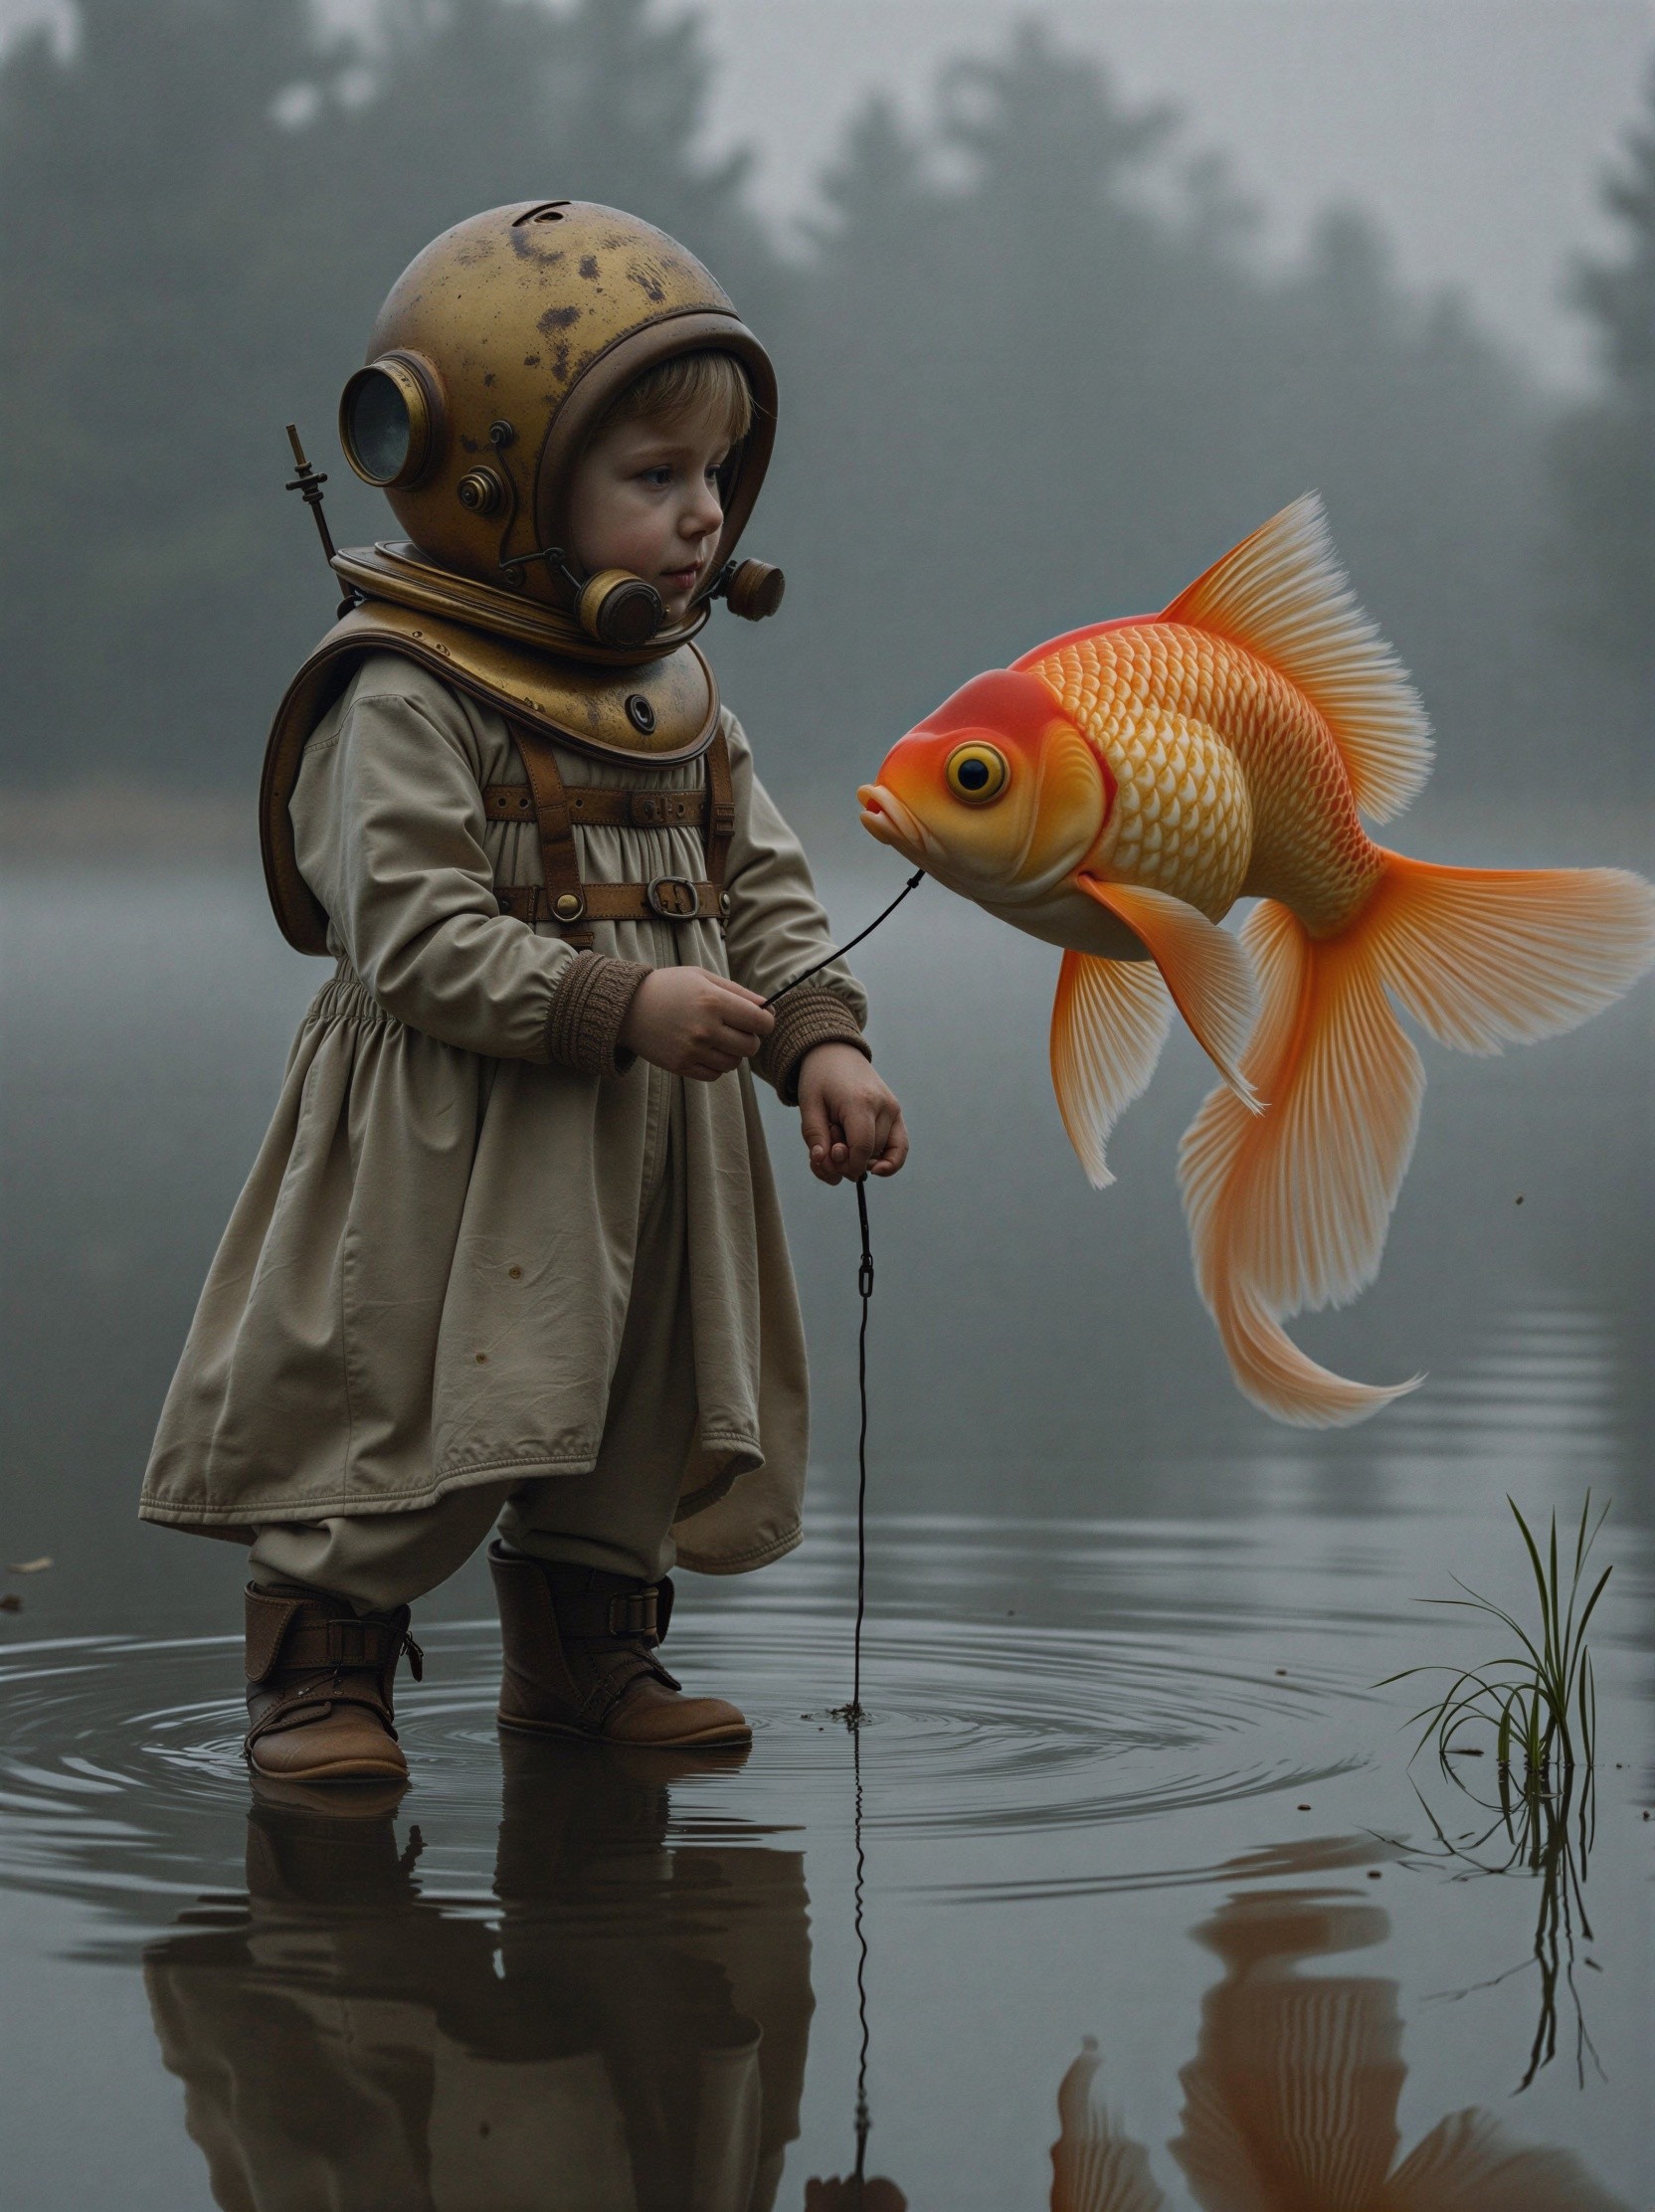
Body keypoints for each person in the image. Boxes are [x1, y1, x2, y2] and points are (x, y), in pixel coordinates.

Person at [139, 201, 908, 1782]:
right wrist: (618, 1008)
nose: (701, 518)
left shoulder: (679, 687)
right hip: (457, 1128)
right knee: (410, 1391)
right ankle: (322, 1671)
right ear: (498, 481)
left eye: (715, 477)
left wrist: (822, 1044)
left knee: (632, 1391)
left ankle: (589, 1662)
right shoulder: (402, 688)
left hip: (657, 1130)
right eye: (653, 478)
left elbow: (759, 885)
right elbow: (409, 929)